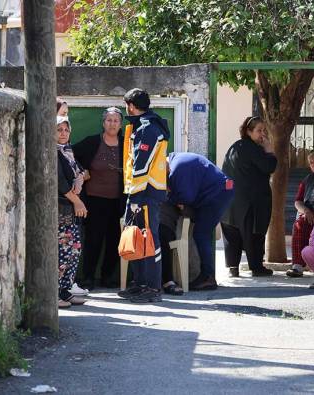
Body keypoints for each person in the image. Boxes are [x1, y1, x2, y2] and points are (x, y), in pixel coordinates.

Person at [116, 88, 170, 303]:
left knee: (149, 240)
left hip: (145, 194)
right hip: (141, 192)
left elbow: (141, 164)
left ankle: (152, 287)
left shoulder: (148, 128)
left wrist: (135, 197)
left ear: (130, 105)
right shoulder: (143, 125)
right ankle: (140, 284)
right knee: (138, 238)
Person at [73, 107, 125, 290]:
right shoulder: (92, 142)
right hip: (95, 200)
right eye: (109, 120)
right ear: (103, 123)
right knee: (94, 240)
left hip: (119, 201)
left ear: (121, 124)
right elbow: (69, 154)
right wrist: (81, 170)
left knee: (115, 240)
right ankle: (87, 277)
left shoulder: (126, 143)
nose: (112, 124)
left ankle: (108, 277)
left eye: (116, 121)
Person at [166, 152, 235, 290]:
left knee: (201, 234)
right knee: (201, 232)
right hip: (219, 191)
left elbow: (187, 197)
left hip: (218, 194)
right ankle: (206, 275)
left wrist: (171, 196)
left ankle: (208, 277)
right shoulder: (178, 160)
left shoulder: (177, 167)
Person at [220, 116, 277, 277]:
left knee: (233, 233)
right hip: (250, 202)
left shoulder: (235, 147)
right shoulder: (253, 148)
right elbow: (269, 166)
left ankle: (233, 267)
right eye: (259, 131)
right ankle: (256, 267)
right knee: (253, 232)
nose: (263, 135)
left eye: (264, 131)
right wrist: (270, 151)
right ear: (248, 131)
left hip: (230, 200)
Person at [56, 116, 88, 308]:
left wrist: (80, 179)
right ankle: (54, 292)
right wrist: (78, 202)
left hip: (71, 210)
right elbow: (59, 182)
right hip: (61, 209)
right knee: (62, 251)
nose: (63, 133)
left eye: (66, 130)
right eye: (59, 129)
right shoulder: (53, 152)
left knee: (73, 250)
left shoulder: (68, 151)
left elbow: (79, 172)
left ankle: (65, 290)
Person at [287, 151, 314, 278]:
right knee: (299, 224)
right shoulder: (308, 179)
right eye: (311, 162)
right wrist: (306, 211)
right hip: (309, 211)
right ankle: (297, 266)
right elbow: (298, 202)